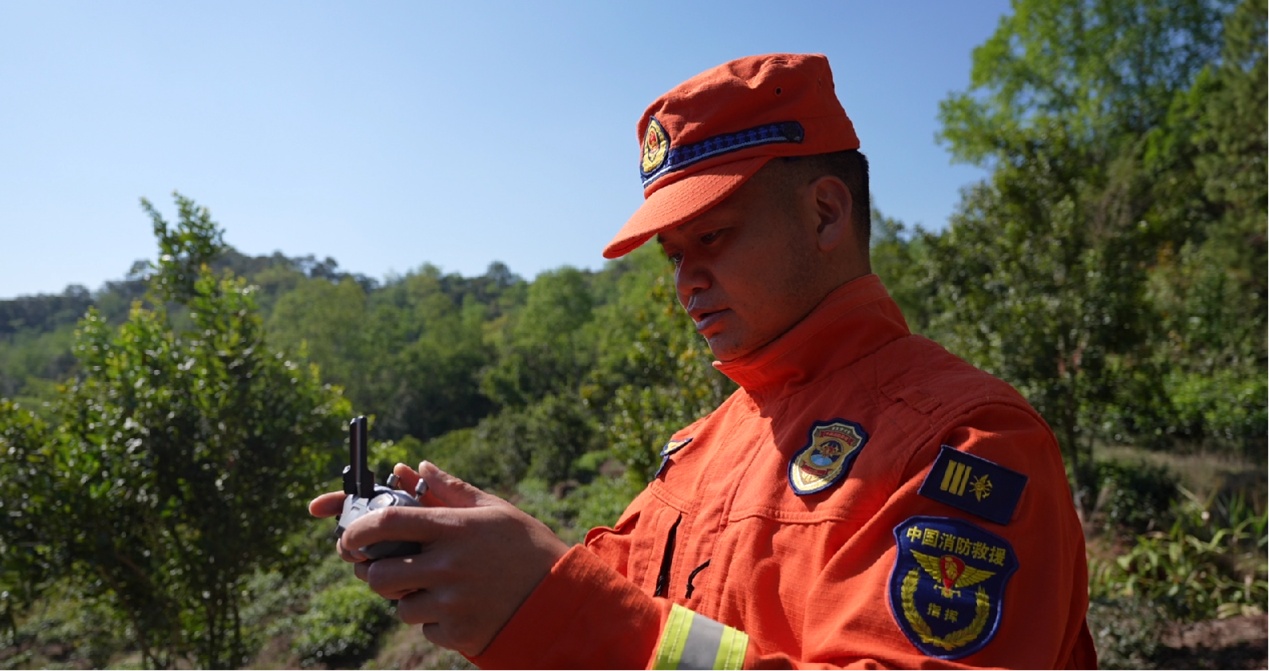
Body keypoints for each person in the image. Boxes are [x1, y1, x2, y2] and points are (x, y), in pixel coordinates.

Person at [309, 52, 1098, 669]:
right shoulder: (703, 445)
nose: (686, 280)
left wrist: (546, 605)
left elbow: (594, 620)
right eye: (671, 255)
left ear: (826, 213)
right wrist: (483, 548)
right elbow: (618, 601)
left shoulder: (965, 442)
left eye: (712, 236)